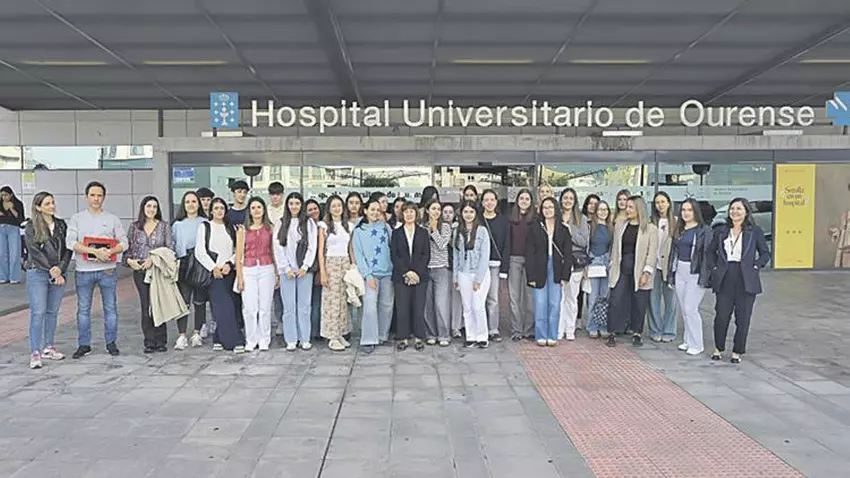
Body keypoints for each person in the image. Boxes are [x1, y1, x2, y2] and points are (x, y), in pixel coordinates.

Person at [66, 181, 128, 359]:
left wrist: (110, 251)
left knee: (110, 308)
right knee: (83, 309)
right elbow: (70, 242)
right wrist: (94, 252)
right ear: (86, 197)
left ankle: (111, 343)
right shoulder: (77, 218)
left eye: (99, 195)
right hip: (83, 270)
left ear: (104, 198)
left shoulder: (112, 219)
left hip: (107, 270)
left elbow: (124, 242)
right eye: (92, 195)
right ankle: (84, 344)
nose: (96, 199)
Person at [707, 198, 771, 364]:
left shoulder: (754, 231)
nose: (735, 211)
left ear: (746, 212)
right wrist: (714, 268)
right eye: (732, 208)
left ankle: (737, 351)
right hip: (725, 276)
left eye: (739, 209)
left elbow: (765, 253)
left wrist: (756, 266)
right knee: (721, 316)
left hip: (746, 278)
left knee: (743, 318)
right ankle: (718, 348)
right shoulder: (721, 231)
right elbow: (710, 252)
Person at [25, 192, 72, 369]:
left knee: (52, 311)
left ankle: (49, 346)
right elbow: (34, 251)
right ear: (38, 207)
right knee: (38, 312)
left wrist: (60, 268)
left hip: (59, 272)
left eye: (52, 202)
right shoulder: (31, 226)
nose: (52, 206)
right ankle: (35, 352)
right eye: (47, 204)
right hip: (38, 272)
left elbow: (68, 248)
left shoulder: (61, 225)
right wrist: (52, 270)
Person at [607, 195, 658, 348]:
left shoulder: (650, 229)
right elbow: (615, 248)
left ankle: (637, 332)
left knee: (639, 302)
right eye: (627, 207)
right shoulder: (620, 225)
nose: (627, 209)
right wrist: (612, 265)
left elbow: (652, 253)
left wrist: (646, 273)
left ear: (639, 209)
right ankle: (612, 331)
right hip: (621, 268)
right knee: (616, 299)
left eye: (630, 207)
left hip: (640, 270)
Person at [126, 196, 174, 353]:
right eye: (148, 206)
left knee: (158, 303)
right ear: (143, 208)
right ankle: (149, 341)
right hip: (140, 270)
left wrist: (153, 259)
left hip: (157, 270)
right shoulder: (135, 227)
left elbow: (169, 248)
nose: (151, 209)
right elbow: (128, 248)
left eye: (154, 206)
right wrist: (130, 261)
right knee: (146, 304)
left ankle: (161, 340)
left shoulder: (164, 226)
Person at [195, 198, 244, 353]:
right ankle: (234, 341)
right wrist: (213, 268)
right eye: (216, 208)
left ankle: (218, 338)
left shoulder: (231, 228)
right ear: (211, 211)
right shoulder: (205, 227)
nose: (219, 211)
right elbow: (200, 251)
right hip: (214, 274)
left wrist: (230, 263)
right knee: (223, 307)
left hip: (229, 272)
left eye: (222, 208)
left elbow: (238, 250)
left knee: (231, 306)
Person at [526, 197, 572, 347]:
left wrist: (565, 276)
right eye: (545, 207)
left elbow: (568, 254)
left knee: (555, 303)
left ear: (556, 209)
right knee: (540, 303)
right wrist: (531, 276)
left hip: (557, 268)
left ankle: (552, 335)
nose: (547, 210)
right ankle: (541, 335)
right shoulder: (535, 227)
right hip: (539, 267)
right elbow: (529, 253)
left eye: (551, 207)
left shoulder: (564, 229)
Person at [274, 192, 318, 351]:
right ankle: (291, 339)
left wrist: (305, 266)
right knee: (289, 307)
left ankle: (304, 338)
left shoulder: (309, 223)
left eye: (297, 203)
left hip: (304, 271)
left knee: (304, 306)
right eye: (291, 203)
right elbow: (278, 247)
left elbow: (312, 246)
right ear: (287, 205)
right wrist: (286, 268)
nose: (294, 206)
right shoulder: (280, 223)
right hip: (287, 271)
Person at [668, 198, 712, 356]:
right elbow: (673, 253)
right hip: (680, 269)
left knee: (690, 308)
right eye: (683, 210)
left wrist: (705, 276)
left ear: (696, 212)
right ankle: (688, 340)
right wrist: (671, 274)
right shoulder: (680, 229)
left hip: (695, 271)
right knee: (684, 308)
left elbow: (707, 255)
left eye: (689, 210)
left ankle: (697, 344)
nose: (686, 213)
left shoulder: (703, 230)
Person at [235, 197, 277, 352]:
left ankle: (264, 339)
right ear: (249, 211)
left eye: (259, 207)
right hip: (248, 269)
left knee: (265, 307)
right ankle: (251, 339)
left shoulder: (270, 228)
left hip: (267, 268)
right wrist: (240, 277)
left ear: (264, 209)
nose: (256, 210)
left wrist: (277, 273)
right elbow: (239, 255)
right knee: (249, 307)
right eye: (253, 208)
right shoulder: (242, 230)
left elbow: (274, 251)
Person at [352, 198, 394, 354]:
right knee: (370, 306)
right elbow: (358, 254)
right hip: (370, 275)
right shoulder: (358, 231)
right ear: (365, 210)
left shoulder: (386, 228)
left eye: (378, 210)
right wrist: (367, 275)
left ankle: (382, 335)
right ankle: (368, 339)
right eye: (372, 209)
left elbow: (393, 247)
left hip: (388, 273)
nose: (375, 212)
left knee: (386, 305)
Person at [391, 201, 430, 351]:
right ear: (402, 214)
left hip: (420, 276)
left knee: (418, 308)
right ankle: (403, 338)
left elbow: (426, 254)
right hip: (401, 276)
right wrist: (407, 272)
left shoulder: (423, 232)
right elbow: (394, 255)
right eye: (406, 211)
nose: (409, 214)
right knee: (403, 308)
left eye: (412, 211)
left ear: (416, 213)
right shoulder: (396, 233)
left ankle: (419, 338)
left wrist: (416, 273)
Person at [172, 191, 208, 349]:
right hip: (184, 264)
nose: (191, 205)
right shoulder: (177, 224)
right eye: (187, 202)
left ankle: (197, 333)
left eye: (194, 201)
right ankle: (181, 335)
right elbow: (173, 245)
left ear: (198, 204)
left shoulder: (205, 222)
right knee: (183, 302)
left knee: (199, 301)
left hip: (200, 264)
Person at [453, 201, 491, 349]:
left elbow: (484, 256)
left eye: (471, 212)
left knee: (478, 306)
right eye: (465, 212)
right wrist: (455, 277)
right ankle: (471, 336)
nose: (468, 215)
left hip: (479, 273)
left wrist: (478, 279)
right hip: (463, 273)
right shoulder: (458, 231)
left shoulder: (482, 231)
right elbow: (456, 256)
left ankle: (482, 336)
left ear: (476, 213)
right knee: (467, 307)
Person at [319, 195, 352, 351]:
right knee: (331, 301)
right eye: (334, 206)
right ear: (329, 209)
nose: (337, 208)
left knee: (343, 301)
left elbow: (350, 248)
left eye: (339, 205)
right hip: (331, 263)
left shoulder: (349, 226)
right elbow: (320, 251)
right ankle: (331, 336)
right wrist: (323, 272)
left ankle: (340, 333)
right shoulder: (324, 226)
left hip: (345, 262)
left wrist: (353, 266)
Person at [558, 188, 589, 341]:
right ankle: (559, 329)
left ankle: (570, 328)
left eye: (571, 198)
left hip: (575, 263)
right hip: (559, 261)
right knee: (559, 298)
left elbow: (583, 241)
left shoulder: (581, 219)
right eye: (565, 198)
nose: (568, 201)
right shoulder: (556, 216)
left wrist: (569, 229)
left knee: (572, 297)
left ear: (575, 201)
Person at [648, 191, 678, 343]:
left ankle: (669, 330)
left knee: (670, 301)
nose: (660, 205)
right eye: (657, 202)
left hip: (669, 266)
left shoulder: (676, 222)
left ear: (669, 203)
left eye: (663, 201)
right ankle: (655, 329)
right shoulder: (650, 222)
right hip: (653, 265)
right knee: (653, 300)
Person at [480, 189, 509, 342]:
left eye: (492, 199)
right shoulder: (477, 219)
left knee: (493, 298)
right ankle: (480, 328)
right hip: (478, 265)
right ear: (482, 202)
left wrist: (504, 269)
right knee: (478, 298)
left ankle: (493, 329)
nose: (489, 203)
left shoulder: (503, 221)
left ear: (496, 202)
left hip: (494, 264)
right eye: (486, 200)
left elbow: (506, 245)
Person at [422, 198, 452, 346]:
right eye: (433, 209)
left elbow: (442, 245)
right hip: (426, 268)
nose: (436, 212)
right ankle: (431, 334)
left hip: (441, 268)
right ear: (427, 210)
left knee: (441, 303)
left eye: (438, 209)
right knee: (427, 304)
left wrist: (434, 230)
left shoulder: (445, 226)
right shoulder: (421, 227)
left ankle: (444, 335)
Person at [508, 188, 535, 341]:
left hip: (530, 261)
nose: (524, 201)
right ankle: (516, 330)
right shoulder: (510, 219)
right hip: (514, 260)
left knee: (529, 298)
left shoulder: (535, 220)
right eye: (521, 198)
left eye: (527, 199)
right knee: (514, 297)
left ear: (531, 202)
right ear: (517, 201)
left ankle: (528, 330)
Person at [586, 200, 613, 338]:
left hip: (606, 264)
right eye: (600, 209)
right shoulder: (590, 227)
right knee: (593, 297)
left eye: (605, 209)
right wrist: (586, 265)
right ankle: (592, 326)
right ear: (596, 211)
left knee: (604, 297)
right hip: (593, 263)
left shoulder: (611, 228)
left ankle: (603, 325)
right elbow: (587, 246)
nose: (603, 212)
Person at [267, 181, 286, 339]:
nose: (275, 197)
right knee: (275, 290)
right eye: (273, 194)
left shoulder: (287, 210)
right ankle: (279, 319)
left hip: (285, 251)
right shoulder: (265, 211)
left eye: (278, 194)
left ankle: (286, 320)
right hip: (267, 252)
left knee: (285, 290)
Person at [345, 191, 365, 332]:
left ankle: (362, 329)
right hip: (344, 262)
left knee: (361, 295)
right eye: (351, 202)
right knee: (347, 295)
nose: (354, 206)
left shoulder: (364, 221)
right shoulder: (342, 221)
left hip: (361, 262)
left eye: (357, 203)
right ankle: (348, 329)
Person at [443, 203, 464, 339]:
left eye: (450, 212)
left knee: (457, 299)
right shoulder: (436, 227)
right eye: (445, 212)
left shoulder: (459, 229)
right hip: (443, 267)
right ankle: (445, 326)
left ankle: (456, 327)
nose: (448, 215)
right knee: (444, 299)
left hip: (456, 267)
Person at [305, 199, 323, 342]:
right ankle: (310, 332)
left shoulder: (324, 226)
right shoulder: (304, 227)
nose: (313, 212)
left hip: (320, 269)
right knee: (308, 302)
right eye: (310, 210)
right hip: (307, 269)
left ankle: (317, 332)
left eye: (315, 208)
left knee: (318, 301)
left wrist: (320, 270)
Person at [0, 185, 25, 284]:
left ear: (11, 195)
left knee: (14, 252)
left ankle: (14, 277)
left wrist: (12, 209)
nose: (4, 198)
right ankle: (3, 276)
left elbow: (20, 219)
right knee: (1, 253)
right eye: (2, 195)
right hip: (1, 228)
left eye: (6, 195)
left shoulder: (18, 204)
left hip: (13, 228)